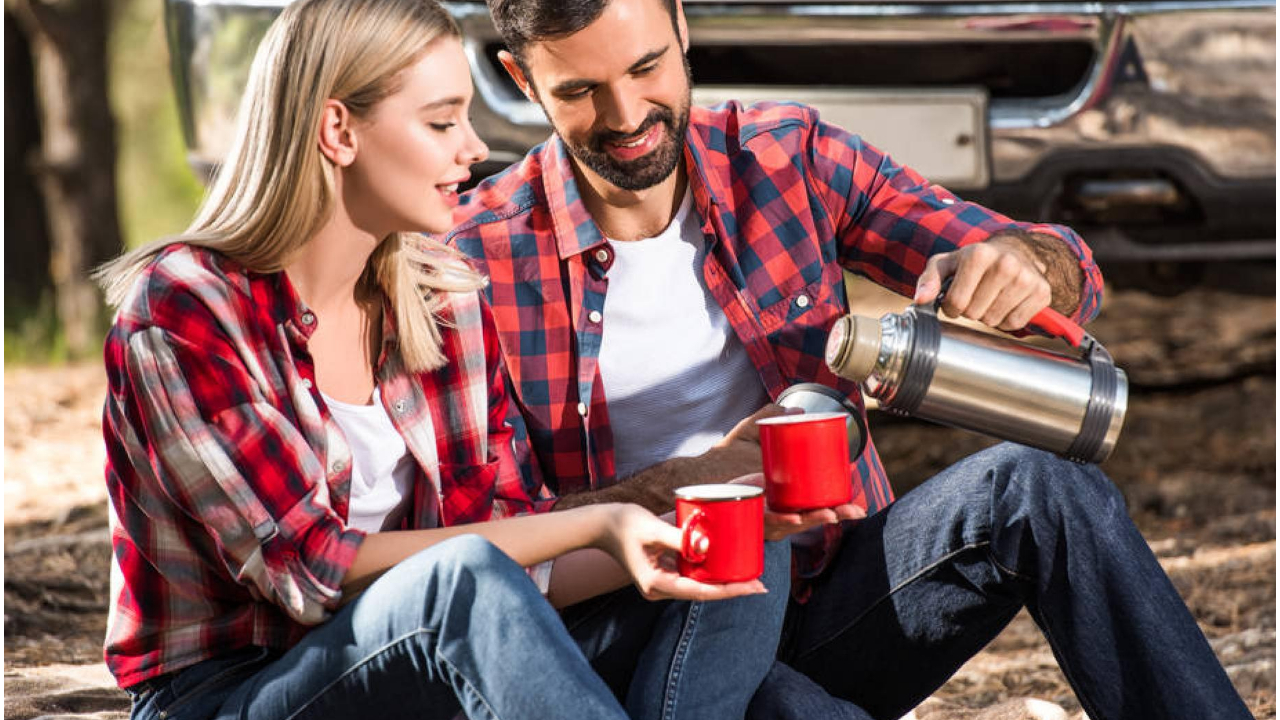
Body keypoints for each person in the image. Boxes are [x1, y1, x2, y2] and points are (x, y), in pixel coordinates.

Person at [443, 0, 1254, 718]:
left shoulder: (782, 155)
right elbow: (489, 542)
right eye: (580, 92)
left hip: (833, 595)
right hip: (646, 630)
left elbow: (1050, 264)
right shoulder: (475, 259)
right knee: (787, 706)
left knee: (1041, 485)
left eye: (647, 66)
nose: (627, 115)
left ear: (682, 25)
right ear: (518, 78)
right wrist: (699, 479)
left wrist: (1028, 266)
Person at [95, 1, 790, 718]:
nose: (471, 148)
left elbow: (510, 543)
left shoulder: (441, 301)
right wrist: (600, 523)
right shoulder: (187, 309)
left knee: (742, 538)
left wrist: (674, 528)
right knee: (460, 581)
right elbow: (310, 571)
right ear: (339, 130)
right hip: (236, 691)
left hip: (432, 661)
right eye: (440, 122)